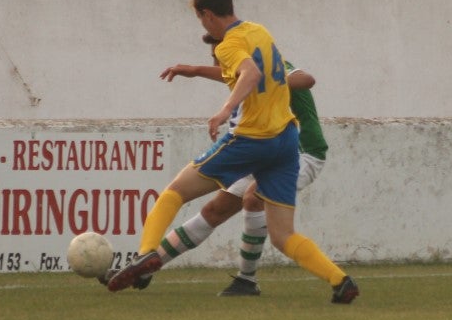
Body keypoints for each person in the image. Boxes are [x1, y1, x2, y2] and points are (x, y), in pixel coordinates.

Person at [106, 0, 358, 304]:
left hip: (253, 142)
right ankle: (341, 281)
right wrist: (194, 70)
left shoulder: (228, 46)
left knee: (175, 192)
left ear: (208, 15)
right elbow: (250, 73)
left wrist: (224, 110)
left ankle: (144, 256)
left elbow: (250, 74)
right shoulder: (260, 33)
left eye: (200, 18)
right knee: (282, 235)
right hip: (285, 143)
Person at [124, 34, 329, 296]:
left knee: (254, 197)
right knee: (214, 210)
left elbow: (306, 79)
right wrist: (195, 70)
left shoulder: (273, 68)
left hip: (302, 152)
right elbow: (231, 75)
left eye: (219, 57)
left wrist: (271, 83)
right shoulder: (245, 75)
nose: (219, 64)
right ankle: (145, 268)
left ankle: (247, 280)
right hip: (266, 153)